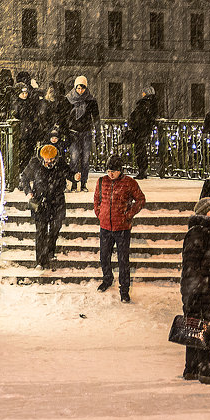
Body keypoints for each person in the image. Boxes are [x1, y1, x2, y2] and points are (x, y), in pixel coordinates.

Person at [181, 197, 210, 385]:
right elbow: (192, 264)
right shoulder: (201, 232)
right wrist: (198, 289)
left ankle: (191, 369)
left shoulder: (203, 231)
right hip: (204, 290)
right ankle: (206, 371)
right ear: (202, 212)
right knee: (207, 329)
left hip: (200, 288)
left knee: (194, 328)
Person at [93, 155, 146, 303]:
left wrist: (128, 215)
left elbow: (141, 200)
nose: (111, 174)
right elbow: (97, 199)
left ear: (120, 170)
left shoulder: (129, 182)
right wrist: (99, 213)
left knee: (123, 261)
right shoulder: (102, 181)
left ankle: (124, 290)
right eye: (109, 171)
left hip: (122, 227)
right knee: (104, 256)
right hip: (105, 226)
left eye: (114, 171)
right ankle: (107, 279)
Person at [19, 143, 74, 269]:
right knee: (41, 231)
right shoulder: (35, 163)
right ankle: (40, 260)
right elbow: (25, 176)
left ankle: (50, 249)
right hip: (40, 201)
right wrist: (29, 193)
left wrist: (75, 177)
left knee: (55, 227)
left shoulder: (60, 163)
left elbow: (68, 173)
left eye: (51, 159)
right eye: (46, 159)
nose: (49, 161)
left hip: (57, 200)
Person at [66, 76, 100, 192]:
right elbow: (65, 118)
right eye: (78, 88)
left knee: (85, 159)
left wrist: (98, 133)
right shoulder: (69, 99)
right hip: (73, 133)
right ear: (75, 87)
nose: (80, 91)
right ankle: (74, 182)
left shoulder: (91, 100)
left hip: (86, 132)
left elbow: (96, 118)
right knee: (74, 158)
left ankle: (84, 183)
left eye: (83, 88)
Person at [125, 86, 158, 180]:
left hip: (140, 130)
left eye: (143, 92)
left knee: (140, 151)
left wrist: (133, 123)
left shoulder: (144, 104)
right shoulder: (151, 104)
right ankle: (143, 170)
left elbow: (138, 117)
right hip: (144, 130)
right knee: (141, 151)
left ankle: (142, 171)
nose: (141, 94)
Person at [12, 83, 43, 177]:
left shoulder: (30, 103)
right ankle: (22, 175)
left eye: (26, 92)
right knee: (22, 155)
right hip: (21, 134)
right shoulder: (16, 103)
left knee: (29, 155)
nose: (25, 95)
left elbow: (35, 118)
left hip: (30, 132)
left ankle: (27, 174)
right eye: (23, 93)